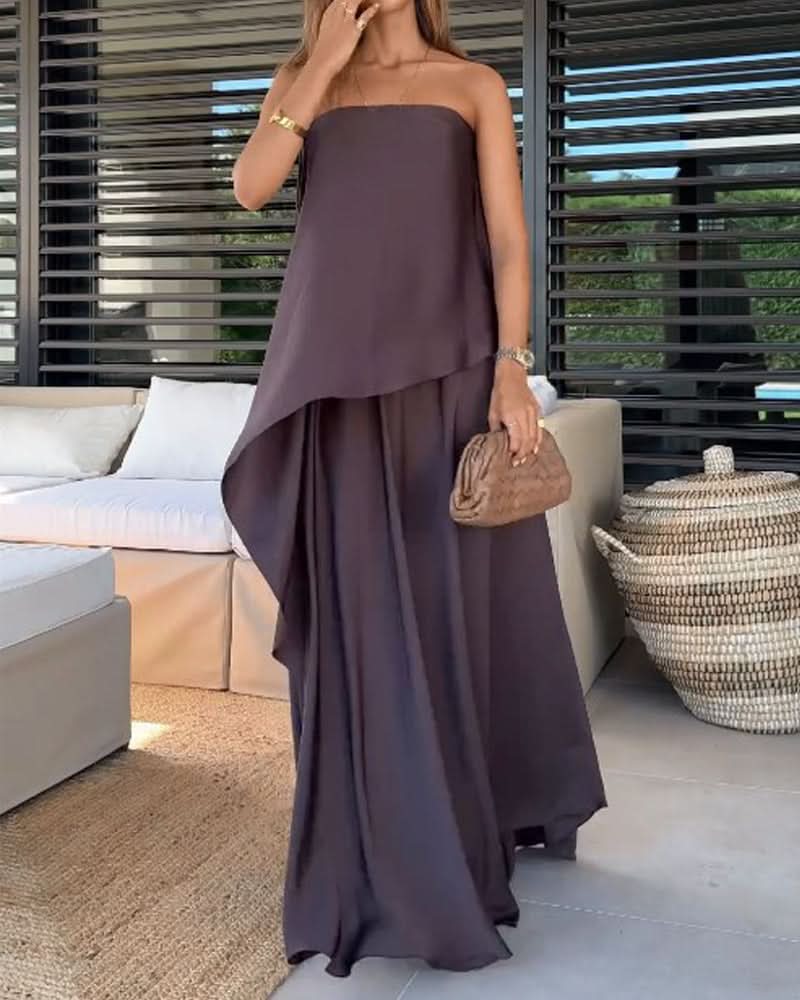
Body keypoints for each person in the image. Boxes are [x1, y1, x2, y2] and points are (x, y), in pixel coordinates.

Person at [221, 0, 607, 979]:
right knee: (357, 624)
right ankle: (368, 860)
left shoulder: (471, 85)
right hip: (332, 389)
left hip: (447, 378)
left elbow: (508, 240)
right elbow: (251, 189)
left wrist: (511, 365)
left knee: (450, 613)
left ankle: (457, 837)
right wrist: (323, 62)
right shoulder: (302, 82)